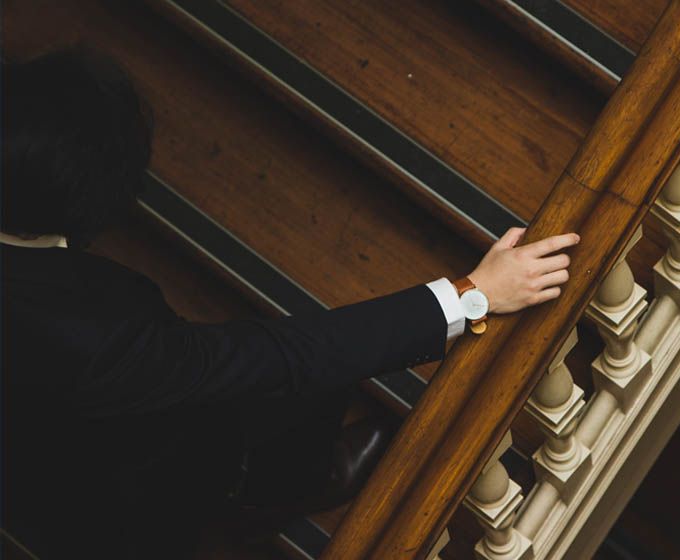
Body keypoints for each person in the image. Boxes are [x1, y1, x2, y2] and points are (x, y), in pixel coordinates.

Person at [1, 49, 578, 558]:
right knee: (305, 384)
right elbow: (286, 354)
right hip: (103, 492)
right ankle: (275, 494)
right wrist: (473, 295)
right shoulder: (91, 346)